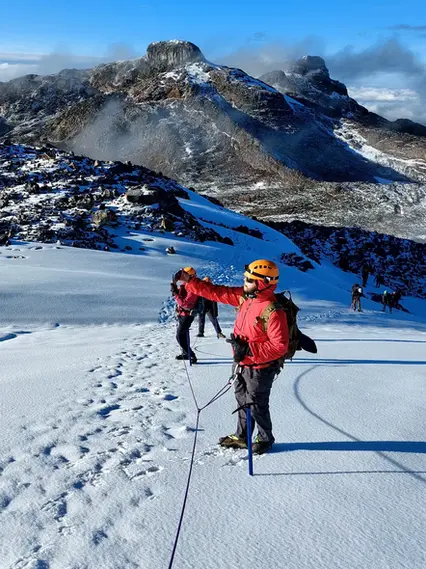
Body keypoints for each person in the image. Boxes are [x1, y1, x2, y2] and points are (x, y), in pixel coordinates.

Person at [176, 259, 289, 455]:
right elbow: (217, 292)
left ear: (263, 283)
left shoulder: (273, 310)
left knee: (256, 403)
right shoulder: (246, 297)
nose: (244, 282)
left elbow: (279, 346)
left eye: (249, 280)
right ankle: (243, 436)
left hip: (260, 368)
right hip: (241, 363)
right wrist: (190, 282)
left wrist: (249, 350)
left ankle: (264, 438)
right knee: (242, 400)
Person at [170, 267, 199, 363]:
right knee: (185, 334)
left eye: (184, 275)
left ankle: (191, 354)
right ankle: (186, 353)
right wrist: (174, 286)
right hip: (182, 313)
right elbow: (181, 296)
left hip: (187, 315)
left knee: (179, 336)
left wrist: (175, 293)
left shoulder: (193, 287)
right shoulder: (187, 284)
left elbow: (185, 303)